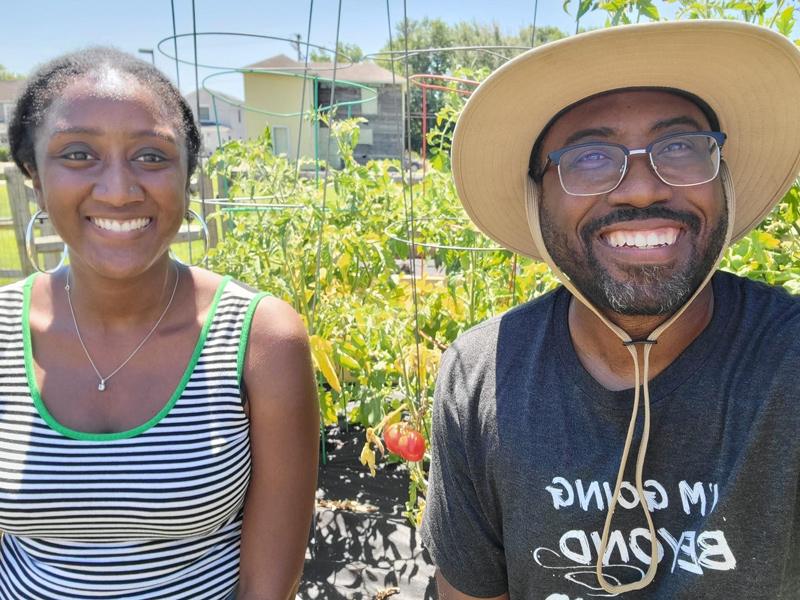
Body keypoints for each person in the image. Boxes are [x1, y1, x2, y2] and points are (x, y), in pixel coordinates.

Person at [420, 20, 800, 599]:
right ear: (536, 199)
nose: (641, 189)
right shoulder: (481, 376)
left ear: (722, 179)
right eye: (591, 156)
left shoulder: (788, 363)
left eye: (679, 147)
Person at [0, 47, 319, 600]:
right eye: (78, 153)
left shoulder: (262, 342)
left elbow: (267, 587)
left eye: (151, 156)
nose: (119, 190)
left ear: (187, 177)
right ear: (33, 176)